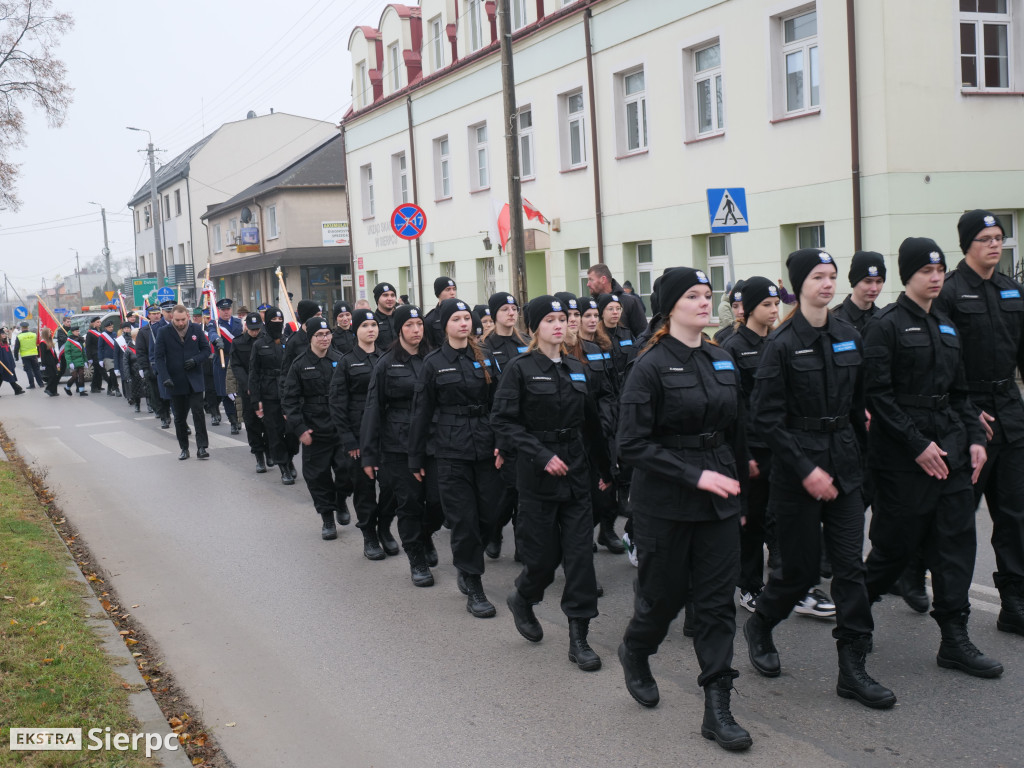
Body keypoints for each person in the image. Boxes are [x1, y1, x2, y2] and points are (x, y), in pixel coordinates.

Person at [746, 248, 895, 710]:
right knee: (800, 572)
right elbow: (766, 420)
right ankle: (761, 624)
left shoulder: (849, 335)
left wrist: (863, 464)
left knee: (850, 567)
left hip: (845, 466)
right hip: (797, 473)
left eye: (832, 276)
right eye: (818, 277)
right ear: (798, 284)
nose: (828, 284)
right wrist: (806, 469)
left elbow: (857, 409)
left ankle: (852, 668)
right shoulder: (782, 342)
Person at [615, 267, 752, 752]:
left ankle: (718, 707)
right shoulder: (648, 366)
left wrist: (740, 497)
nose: (703, 301)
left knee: (716, 607)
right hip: (666, 505)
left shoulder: (722, 358)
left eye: (707, 294)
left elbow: (737, 434)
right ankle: (636, 648)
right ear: (670, 306)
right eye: (693, 295)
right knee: (662, 599)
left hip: (717, 502)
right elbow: (630, 444)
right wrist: (694, 475)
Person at [862, 237, 1002, 679]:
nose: (937, 277)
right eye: (926, 271)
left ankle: (955, 640)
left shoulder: (945, 323)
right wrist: (916, 444)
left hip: (951, 449)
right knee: (895, 548)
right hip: (903, 457)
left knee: (956, 544)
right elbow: (877, 396)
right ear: (908, 276)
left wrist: (976, 437)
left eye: (940, 270)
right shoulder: (884, 326)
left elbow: (960, 394)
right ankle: (856, 614)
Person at [493, 295, 610, 671]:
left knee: (580, 560)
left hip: (576, 474)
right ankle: (524, 597)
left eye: (563, 318)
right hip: (537, 476)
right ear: (535, 327)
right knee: (543, 561)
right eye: (550, 320)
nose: (559, 325)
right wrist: (541, 455)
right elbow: (504, 422)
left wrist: (608, 471)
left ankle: (579, 639)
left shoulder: (579, 368)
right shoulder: (520, 369)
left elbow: (591, 426)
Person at [934, 209, 1024, 636]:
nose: (995, 244)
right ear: (966, 244)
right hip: (969, 415)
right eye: (986, 238)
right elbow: (941, 362)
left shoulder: (1011, 290)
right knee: (959, 516)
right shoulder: (950, 293)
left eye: (999, 237)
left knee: (1015, 513)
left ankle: (1014, 601)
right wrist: (965, 410)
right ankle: (947, 604)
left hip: (1009, 408)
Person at [409, 298, 502, 618]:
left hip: (486, 445)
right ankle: (474, 584)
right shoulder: (434, 363)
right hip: (450, 450)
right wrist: (416, 458)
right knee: (463, 518)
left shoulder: (486, 357)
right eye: (456, 319)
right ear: (445, 325)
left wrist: (502, 442)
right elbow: (421, 413)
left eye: (467, 318)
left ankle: (468, 561)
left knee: (491, 514)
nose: (464, 323)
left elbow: (499, 403)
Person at [362, 304, 442, 585]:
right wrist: (369, 455)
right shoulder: (386, 363)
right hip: (398, 445)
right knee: (408, 503)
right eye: (409, 325)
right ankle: (416, 558)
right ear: (399, 329)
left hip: (432, 442)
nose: (416, 330)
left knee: (437, 500)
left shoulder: (433, 359)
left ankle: (424, 534)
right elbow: (373, 409)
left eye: (419, 324)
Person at [721, 277, 781, 613]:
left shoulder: (780, 341)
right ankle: (749, 585)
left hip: (780, 446)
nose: (774, 311)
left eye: (776, 304)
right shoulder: (733, 347)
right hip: (753, 449)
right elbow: (735, 408)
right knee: (753, 521)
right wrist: (743, 456)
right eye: (767, 305)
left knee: (782, 517)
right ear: (749, 309)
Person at [556, 292, 623, 556]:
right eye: (569, 316)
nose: (573, 320)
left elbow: (607, 392)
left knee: (604, 493)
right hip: (568, 441)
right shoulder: (551, 352)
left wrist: (605, 422)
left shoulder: (594, 350)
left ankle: (603, 530)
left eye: (575, 315)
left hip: (597, 436)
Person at [330, 310, 394, 559]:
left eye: (374, 325)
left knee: (390, 487)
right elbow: (337, 404)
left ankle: (385, 529)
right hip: (358, 437)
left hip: (386, 435)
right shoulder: (346, 362)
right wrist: (349, 440)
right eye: (365, 325)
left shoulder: (387, 358)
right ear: (355, 330)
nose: (371, 329)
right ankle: (369, 534)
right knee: (364, 489)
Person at [281, 316, 351, 540]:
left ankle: (340, 501)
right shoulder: (300, 364)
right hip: (314, 430)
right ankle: (327, 518)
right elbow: (290, 400)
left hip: (340, 428)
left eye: (327, 334)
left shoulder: (340, 360)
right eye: (319, 335)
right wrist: (300, 429)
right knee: (318, 477)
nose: (325, 338)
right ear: (310, 338)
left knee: (347, 472)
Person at [482, 291, 528, 559]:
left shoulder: (527, 341)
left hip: (524, 424)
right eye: (505, 309)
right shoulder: (485, 346)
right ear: (494, 314)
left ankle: (523, 543)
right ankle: (495, 531)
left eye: (514, 309)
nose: (511, 313)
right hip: (499, 424)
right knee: (503, 493)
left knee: (524, 490)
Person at [154, 305, 211, 461]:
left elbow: (206, 350)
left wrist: (195, 360)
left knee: (198, 413)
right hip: (175, 381)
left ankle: (202, 447)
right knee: (179, 417)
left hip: (195, 379)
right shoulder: (163, 332)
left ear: (188, 316)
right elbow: (158, 357)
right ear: (172, 317)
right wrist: (165, 377)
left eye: (183, 320)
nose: (180, 323)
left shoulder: (196, 329)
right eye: (177, 320)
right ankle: (184, 448)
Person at [249, 307, 296, 485]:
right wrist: (255, 400)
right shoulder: (259, 345)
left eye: (280, 321)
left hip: (288, 393)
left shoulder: (288, 341)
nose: (277, 324)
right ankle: (284, 467)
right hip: (269, 394)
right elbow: (254, 374)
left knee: (292, 432)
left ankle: (290, 457)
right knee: (275, 433)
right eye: (273, 322)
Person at [231, 313, 268, 473]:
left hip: (266, 388)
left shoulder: (267, 339)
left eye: (257, 329)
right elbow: (236, 366)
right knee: (252, 424)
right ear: (246, 327)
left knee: (269, 423)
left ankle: (269, 450)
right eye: (252, 329)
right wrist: (248, 384)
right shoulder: (238, 342)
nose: (255, 332)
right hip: (247, 390)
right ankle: (259, 456)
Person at [207, 298, 242, 434]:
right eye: (223, 310)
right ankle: (233, 421)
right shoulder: (214, 323)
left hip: (238, 360)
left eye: (228, 309)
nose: (226, 312)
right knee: (226, 392)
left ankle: (239, 417)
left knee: (239, 391)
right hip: (223, 360)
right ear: (219, 311)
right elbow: (211, 333)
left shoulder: (239, 322)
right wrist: (216, 339)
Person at [586, 263, 648, 336]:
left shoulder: (630, 301)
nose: (588, 284)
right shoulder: (591, 304)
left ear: (603, 279)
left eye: (591, 280)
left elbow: (643, 334)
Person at [832, 251, 886, 332]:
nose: (874, 288)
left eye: (879, 281)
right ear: (854, 281)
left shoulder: (884, 319)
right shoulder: (834, 319)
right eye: (868, 281)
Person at [143, 302, 174, 427]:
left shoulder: (180, 325)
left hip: (177, 367)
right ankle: (164, 416)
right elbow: (151, 351)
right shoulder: (155, 329)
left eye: (172, 311)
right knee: (164, 396)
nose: (170, 314)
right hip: (162, 368)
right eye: (168, 312)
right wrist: (155, 368)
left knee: (177, 398)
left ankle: (182, 423)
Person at [423, 277, 458, 348]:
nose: (452, 293)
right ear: (438, 293)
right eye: (448, 289)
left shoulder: (462, 315)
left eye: (454, 289)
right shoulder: (430, 320)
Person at [13, 321, 44, 389]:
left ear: (21, 328)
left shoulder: (19, 336)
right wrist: (38, 353)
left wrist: (16, 357)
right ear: (28, 327)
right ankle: (41, 384)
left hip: (25, 356)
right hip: (33, 355)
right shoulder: (34, 335)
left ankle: (32, 385)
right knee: (36, 370)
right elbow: (38, 345)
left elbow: (16, 348)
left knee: (29, 370)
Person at [98, 318, 122, 397]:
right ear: (105, 328)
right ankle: (117, 389)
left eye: (112, 327)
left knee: (113, 374)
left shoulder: (115, 334)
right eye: (109, 327)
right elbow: (100, 348)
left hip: (115, 357)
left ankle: (109, 389)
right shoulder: (102, 336)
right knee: (112, 372)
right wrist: (100, 359)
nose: (111, 328)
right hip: (107, 357)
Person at [62, 325, 87, 396]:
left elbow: (83, 352)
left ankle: (81, 391)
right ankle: (67, 388)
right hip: (73, 362)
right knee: (74, 377)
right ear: (72, 332)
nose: (78, 332)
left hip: (80, 361)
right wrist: (70, 362)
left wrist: (85, 360)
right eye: (76, 331)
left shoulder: (80, 340)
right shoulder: (68, 342)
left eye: (78, 331)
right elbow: (67, 353)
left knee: (81, 375)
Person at [372, 282, 399, 351]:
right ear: (377, 299)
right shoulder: (372, 321)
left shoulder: (401, 318)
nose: (390, 298)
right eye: (385, 295)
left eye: (392, 295)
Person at [0, 327, 24, 395]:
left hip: (8, 363)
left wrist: (12, 363)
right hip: (2, 364)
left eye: (4, 334)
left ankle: (17, 389)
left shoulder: (5, 343)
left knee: (9, 376)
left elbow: (9, 354)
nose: (4, 335)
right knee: (5, 377)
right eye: (2, 334)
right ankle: (17, 389)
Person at [38, 328, 60, 397]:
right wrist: (43, 364)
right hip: (48, 363)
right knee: (52, 376)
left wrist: (57, 361)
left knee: (55, 377)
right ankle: (48, 389)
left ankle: (54, 391)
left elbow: (54, 353)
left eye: (50, 332)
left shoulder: (50, 341)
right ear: (45, 334)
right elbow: (43, 354)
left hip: (53, 362)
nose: (50, 334)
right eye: (49, 333)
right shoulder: (43, 343)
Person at [85, 316, 104, 393]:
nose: (99, 323)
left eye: (100, 322)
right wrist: (89, 357)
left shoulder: (99, 331)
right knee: (97, 371)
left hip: (99, 354)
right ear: (93, 323)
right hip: (94, 354)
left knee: (99, 371)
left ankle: (98, 386)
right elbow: (88, 346)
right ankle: (93, 387)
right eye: (97, 322)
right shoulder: (90, 333)